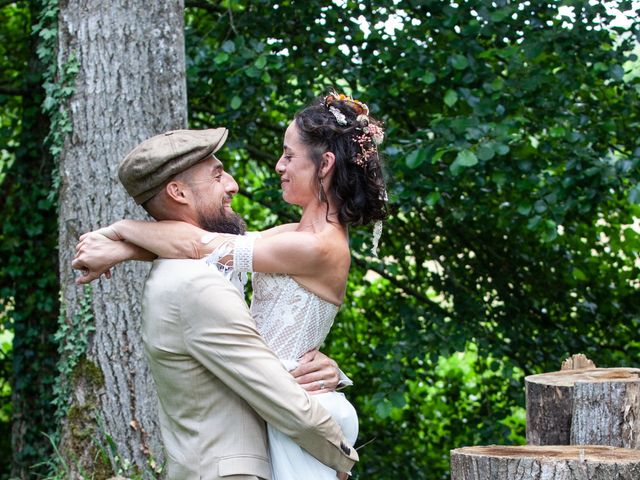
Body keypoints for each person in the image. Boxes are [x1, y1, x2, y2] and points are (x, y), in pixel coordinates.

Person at [74, 92, 388, 479]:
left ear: (324, 164)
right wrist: (125, 252)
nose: (278, 165)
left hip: (298, 406)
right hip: (286, 402)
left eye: (289, 156)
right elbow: (202, 251)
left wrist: (119, 233)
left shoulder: (316, 245)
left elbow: (199, 245)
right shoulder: (290, 235)